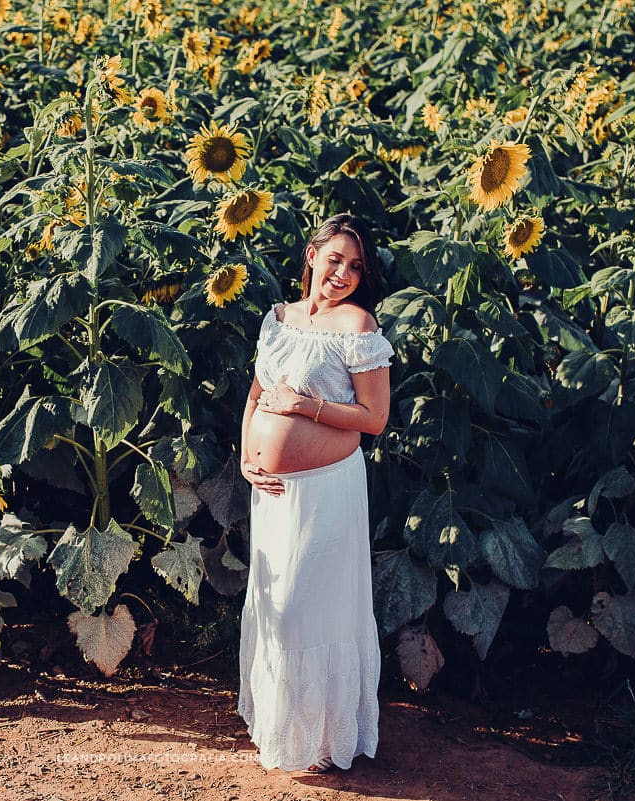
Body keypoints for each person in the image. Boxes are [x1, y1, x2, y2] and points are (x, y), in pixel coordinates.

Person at [236, 213, 393, 773]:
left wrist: (305, 407)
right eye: (335, 259)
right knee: (276, 607)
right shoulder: (278, 319)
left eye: (355, 266)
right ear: (311, 255)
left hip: (326, 492)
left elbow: (374, 418)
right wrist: (247, 456)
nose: (344, 273)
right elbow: (256, 392)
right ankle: (283, 734)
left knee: (311, 607)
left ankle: (323, 739)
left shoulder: (358, 326)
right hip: (273, 491)